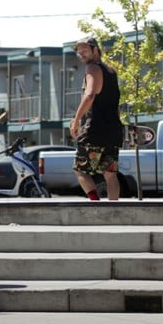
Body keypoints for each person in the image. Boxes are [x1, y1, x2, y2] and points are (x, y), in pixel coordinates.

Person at [69, 37, 124, 201]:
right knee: (110, 174)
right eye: (79, 51)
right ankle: (114, 211)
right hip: (113, 131)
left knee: (80, 170)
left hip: (94, 130)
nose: (81, 54)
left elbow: (90, 94)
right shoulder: (111, 71)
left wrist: (77, 120)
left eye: (85, 50)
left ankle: (95, 203)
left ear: (95, 50)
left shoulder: (92, 69)